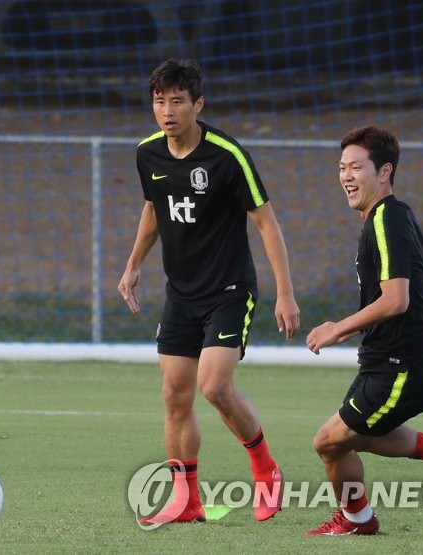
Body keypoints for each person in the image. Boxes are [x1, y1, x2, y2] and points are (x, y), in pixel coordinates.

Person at [117, 58, 300, 525]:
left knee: (215, 385)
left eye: (177, 101)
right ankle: (186, 501)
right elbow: (153, 209)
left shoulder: (227, 155)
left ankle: (266, 470)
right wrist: (133, 264)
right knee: (174, 395)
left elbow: (267, 223)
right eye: (160, 101)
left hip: (230, 290)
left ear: (198, 104)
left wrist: (285, 293)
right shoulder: (148, 154)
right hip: (181, 294)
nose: (167, 111)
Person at [304, 125, 423, 536]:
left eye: (356, 167)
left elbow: (396, 300)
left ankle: (358, 520)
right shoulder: (383, 219)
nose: (346, 176)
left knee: (329, 442)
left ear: (384, 171)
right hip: (388, 362)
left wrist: (338, 328)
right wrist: (352, 332)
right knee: (357, 437)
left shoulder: (387, 218)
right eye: (342, 167)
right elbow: (394, 300)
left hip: (401, 367)